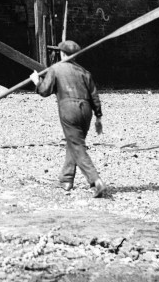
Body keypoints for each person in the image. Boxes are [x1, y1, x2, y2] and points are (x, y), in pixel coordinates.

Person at [29, 40, 106, 197]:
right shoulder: (85, 72)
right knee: (74, 142)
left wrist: (37, 81)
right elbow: (94, 96)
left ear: (62, 54)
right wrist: (98, 118)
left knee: (77, 145)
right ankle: (66, 180)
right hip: (86, 112)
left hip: (69, 110)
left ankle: (96, 180)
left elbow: (44, 91)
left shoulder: (55, 69)